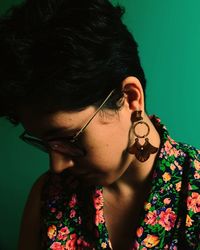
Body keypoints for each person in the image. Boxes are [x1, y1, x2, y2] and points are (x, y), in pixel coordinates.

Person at [0, 0, 199, 249]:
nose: (57, 165)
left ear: (130, 97)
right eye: (45, 143)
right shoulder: (47, 197)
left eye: (70, 139)